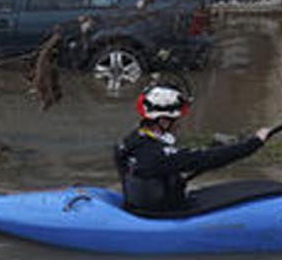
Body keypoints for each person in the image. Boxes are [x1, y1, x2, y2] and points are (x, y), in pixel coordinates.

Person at [113, 85, 272, 215]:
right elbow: (206, 159)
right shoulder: (159, 155)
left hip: (140, 207)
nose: (179, 124)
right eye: (176, 120)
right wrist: (254, 143)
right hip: (163, 214)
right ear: (163, 121)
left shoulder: (128, 142)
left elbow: (157, 167)